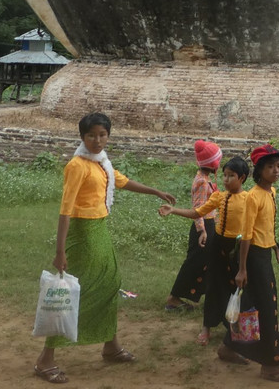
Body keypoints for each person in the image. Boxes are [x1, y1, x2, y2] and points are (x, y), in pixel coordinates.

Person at [33, 112, 176, 384]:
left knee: (110, 284)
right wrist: (60, 251)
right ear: (82, 137)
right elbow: (65, 211)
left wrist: (155, 191)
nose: (97, 141)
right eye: (91, 136)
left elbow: (121, 181)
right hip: (83, 233)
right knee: (81, 291)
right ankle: (45, 359)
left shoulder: (101, 163)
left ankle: (111, 346)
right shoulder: (77, 166)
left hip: (99, 230)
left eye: (102, 135)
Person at [217, 144, 279, 382]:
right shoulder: (253, 197)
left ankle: (228, 348)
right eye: (270, 166)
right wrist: (242, 269)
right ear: (259, 170)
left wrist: (276, 249)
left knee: (251, 306)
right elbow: (246, 234)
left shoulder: (270, 193)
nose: (276, 170)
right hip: (252, 258)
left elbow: (266, 228)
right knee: (267, 309)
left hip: (263, 254)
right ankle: (270, 366)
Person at [160, 155, 249, 347]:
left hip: (237, 247)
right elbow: (197, 212)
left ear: (242, 178)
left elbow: (257, 227)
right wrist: (173, 210)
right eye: (224, 175)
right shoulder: (219, 196)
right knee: (213, 286)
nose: (225, 179)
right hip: (218, 245)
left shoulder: (249, 199)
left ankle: (234, 327)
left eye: (231, 175)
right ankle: (206, 327)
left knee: (237, 289)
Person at [163, 139, 222, 312]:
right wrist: (202, 230)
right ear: (214, 163)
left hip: (210, 225)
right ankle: (173, 298)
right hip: (204, 227)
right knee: (194, 263)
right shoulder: (202, 182)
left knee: (208, 262)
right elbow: (198, 209)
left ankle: (209, 295)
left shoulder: (205, 178)